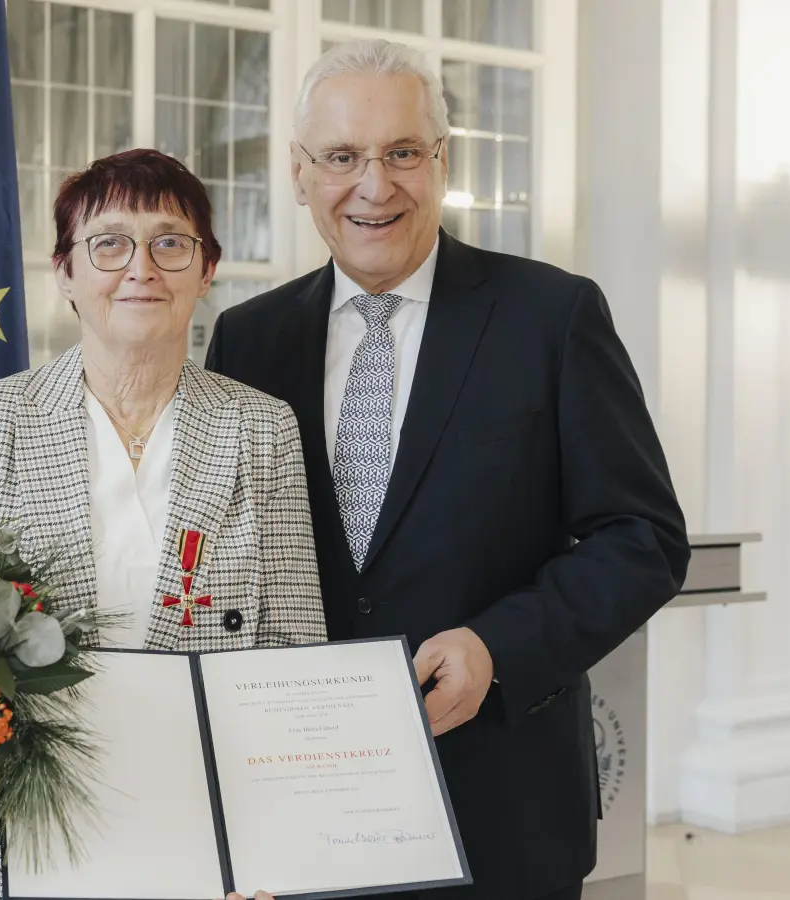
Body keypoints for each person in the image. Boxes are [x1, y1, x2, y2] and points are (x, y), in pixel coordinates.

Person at [205, 40, 690, 900]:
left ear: (442, 161)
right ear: (299, 172)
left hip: (501, 817)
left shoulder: (552, 316)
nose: (374, 185)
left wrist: (497, 647)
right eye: (342, 157)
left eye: (402, 152)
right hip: (301, 817)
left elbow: (642, 538)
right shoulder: (248, 339)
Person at [0, 148, 328, 900]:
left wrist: (266, 853)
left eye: (170, 243)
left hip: (195, 840)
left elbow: (293, 655)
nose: (141, 268)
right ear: (65, 273)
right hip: (1, 838)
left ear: (207, 271)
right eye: (109, 243)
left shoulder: (264, 429)